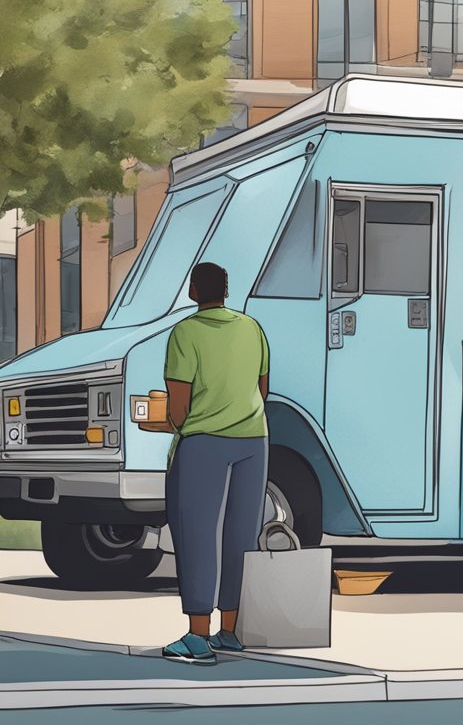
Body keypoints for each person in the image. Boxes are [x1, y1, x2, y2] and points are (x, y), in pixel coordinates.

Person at [160, 262, 271, 665]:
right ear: (226, 291)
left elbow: (178, 408)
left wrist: (172, 422)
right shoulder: (253, 329)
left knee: (197, 536)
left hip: (205, 443)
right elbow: (261, 389)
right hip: (254, 442)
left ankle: (197, 637)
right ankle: (229, 631)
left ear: (194, 291)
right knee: (240, 535)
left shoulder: (185, 333)